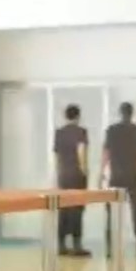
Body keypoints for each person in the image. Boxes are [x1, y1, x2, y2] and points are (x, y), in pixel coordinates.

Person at [102, 102, 136, 260]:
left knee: (112, 214)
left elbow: (106, 153)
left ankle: (110, 249)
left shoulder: (111, 130)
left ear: (120, 113)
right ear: (132, 113)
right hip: (134, 176)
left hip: (116, 176)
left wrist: (101, 173)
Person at [53, 104, 91, 257]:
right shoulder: (81, 132)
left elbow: (57, 156)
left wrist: (59, 174)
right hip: (76, 175)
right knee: (77, 210)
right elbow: (81, 151)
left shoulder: (59, 133)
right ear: (78, 116)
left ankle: (61, 245)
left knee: (63, 209)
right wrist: (84, 170)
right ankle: (76, 245)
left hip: (63, 175)